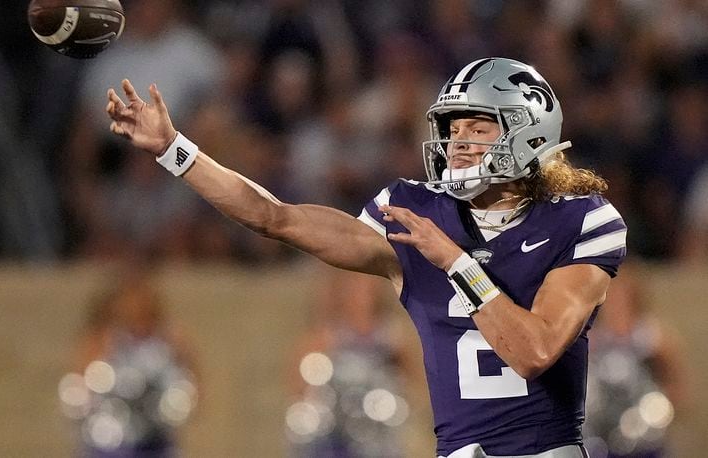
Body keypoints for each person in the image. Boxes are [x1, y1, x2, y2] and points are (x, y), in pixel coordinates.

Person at [104, 57, 627, 457]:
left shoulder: (579, 220)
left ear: (527, 129)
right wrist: (175, 149)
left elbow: (533, 351)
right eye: (453, 128)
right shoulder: (413, 214)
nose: (458, 141)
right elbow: (275, 217)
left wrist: (457, 263)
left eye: (477, 126)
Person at [59, 274, 200, 458]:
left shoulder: (169, 341)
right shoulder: (100, 339)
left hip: (155, 446)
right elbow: (77, 390)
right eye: (131, 301)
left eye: (143, 301)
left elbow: (193, 390)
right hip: (108, 448)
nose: (136, 307)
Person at [285, 268, 420, 457]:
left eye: (367, 288)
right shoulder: (326, 337)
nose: (361, 295)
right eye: (354, 287)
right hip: (333, 434)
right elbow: (299, 387)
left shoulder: (391, 337)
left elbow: (415, 383)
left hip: (377, 434)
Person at [583, 262, 690, 458]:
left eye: (623, 296)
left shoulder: (652, 337)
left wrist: (657, 412)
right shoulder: (592, 340)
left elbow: (676, 383)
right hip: (601, 440)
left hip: (644, 441)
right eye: (612, 296)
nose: (616, 303)